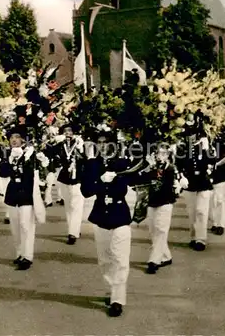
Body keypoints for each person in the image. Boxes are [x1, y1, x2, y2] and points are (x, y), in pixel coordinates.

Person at [81, 125, 138, 317]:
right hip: (101, 215)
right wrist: (99, 180)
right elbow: (86, 190)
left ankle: (117, 299)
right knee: (104, 260)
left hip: (119, 213)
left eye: (106, 142)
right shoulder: (92, 164)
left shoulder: (122, 162)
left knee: (120, 259)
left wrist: (117, 178)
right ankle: (111, 289)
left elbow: (133, 180)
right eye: (100, 142)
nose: (103, 146)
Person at [4, 126, 45, 271]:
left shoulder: (31, 154)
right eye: (11, 138)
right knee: (15, 227)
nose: (14, 140)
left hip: (26, 194)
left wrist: (23, 157)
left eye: (17, 137)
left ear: (23, 139)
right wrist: (10, 159)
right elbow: (3, 173)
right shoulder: (8, 154)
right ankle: (19, 253)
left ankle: (27, 256)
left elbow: (33, 173)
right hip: (12, 195)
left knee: (26, 226)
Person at [141, 145, 184, 274]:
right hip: (152, 202)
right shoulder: (151, 167)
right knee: (153, 230)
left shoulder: (170, 168)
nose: (161, 156)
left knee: (161, 230)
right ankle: (166, 256)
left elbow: (169, 182)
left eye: (164, 154)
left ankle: (154, 261)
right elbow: (142, 178)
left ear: (168, 155)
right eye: (159, 153)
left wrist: (154, 168)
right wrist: (149, 167)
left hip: (165, 202)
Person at [176, 113, 214, 251]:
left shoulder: (204, 146)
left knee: (201, 211)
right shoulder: (182, 148)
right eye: (189, 135)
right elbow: (178, 164)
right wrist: (181, 177)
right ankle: (194, 236)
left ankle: (201, 239)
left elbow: (212, 161)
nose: (191, 137)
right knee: (192, 211)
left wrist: (207, 148)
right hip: (190, 183)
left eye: (194, 134)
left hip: (203, 182)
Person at [54, 124, 85, 245]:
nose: (68, 133)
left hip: (78, 177)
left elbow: (86, 157)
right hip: (64, 177)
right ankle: (73, 228)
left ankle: (73, 232)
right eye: (65, 131)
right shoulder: (60, 145)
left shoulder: (80, 142)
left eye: (70, 131)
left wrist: (81, 148)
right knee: (68, 205)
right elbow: (50, 152)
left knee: (76, 205)